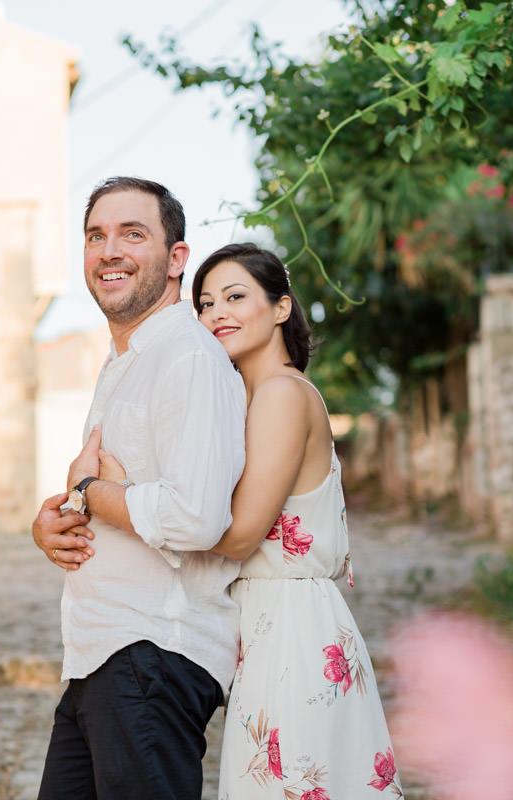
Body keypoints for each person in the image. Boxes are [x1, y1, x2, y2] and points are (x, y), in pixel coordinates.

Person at [98, 242, 403, 798]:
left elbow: (238, 537)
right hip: (265, 624)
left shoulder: (282, 393)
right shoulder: (246, 397)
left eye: (235, 297)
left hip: (290, 626)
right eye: (206, 303)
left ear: (281, 308)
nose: (217, 313)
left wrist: (120, 499)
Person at [30, 177, 247, 800]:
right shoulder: (125, 362)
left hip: (152, 653)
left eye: (133, 233)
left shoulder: (188, 356)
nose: (109, 250)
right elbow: (107, 488)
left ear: (176, 259)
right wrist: (59, 517)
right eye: (96, 235)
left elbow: (198, 516)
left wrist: (92, 491)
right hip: (101, 657)